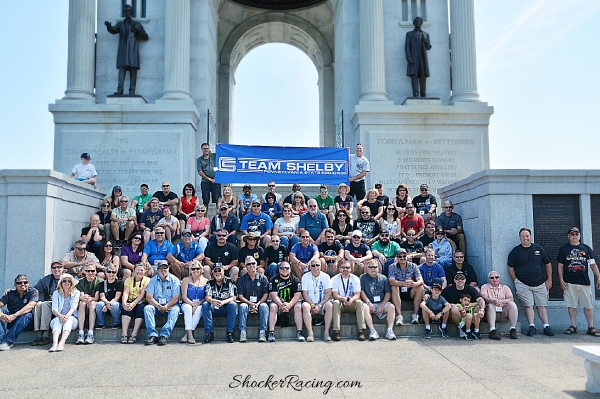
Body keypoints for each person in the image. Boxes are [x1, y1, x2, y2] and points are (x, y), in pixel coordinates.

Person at [507, 227, 554, 337]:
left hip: (540, 283)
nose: (525, 238)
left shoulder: (539, 249)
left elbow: (548, 263)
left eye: (527, 236)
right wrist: (516, 281)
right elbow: (510, 267)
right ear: (520, 238)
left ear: (531, 236)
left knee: (542, 305)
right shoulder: (515, 251)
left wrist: (549, 279)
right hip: (523, 284)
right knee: (529, 305)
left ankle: (546, 326)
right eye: (523, 236)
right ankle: (531, 326)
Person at [557, 227, 600, 337]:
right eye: (572, 234)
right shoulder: (563, 249)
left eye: (576, 234)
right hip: (569, 282)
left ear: (579, 236)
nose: (575, 236)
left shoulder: (586, 249)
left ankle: (591, 327)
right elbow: (560, 265)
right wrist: (561, 279)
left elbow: (593, 264)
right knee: (571, 305)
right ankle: (573, 326)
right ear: (569, 236)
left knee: (588, 305)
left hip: (584, 282)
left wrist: (598, 277)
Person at [104, 4, 148, 95]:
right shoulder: (120, 24)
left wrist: (139, 30)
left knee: (133, 70)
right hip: (123, 50)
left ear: (132, 12)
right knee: (122, 69)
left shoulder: (136, 24)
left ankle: (132, 91)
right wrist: (109, 27)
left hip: (132, 51)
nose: (127, 13)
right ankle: (120, 90)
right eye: (125, 11)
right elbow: (114, 30)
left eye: (129, 11)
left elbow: (145, 37)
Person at [143, 262, 181, 346]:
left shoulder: (175, 280)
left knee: (176, 310)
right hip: (156, 305)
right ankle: (152, 335)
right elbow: (149, 297)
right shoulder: (152, 280)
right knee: (147, 308)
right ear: (157, 269)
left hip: (171, 305)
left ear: (168, 268)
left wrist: (166, 307)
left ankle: (164, 335)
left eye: (165, 267)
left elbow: (175, 298)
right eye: (161, 268)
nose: (163, 269)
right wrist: (158, 306)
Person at [441, 271, 485, 340]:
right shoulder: (448, 290)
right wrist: (457, 306)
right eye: (457, 278)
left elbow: (480, 300)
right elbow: (442, 302)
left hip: (469, 312)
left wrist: (481, 310)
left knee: (478, 307)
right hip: (455, 315)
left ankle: (473, 329)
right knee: (454, 308)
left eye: (462, 278)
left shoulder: (470, 289)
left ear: (465, 280)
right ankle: (463, 328)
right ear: (454, 280)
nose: (460, 280)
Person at [201, 263, 238, 344]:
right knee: (205, 305)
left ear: (223, 271)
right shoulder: (209, 283)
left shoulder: (230, 282)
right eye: (215, 271)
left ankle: (230, 333)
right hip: (214, 307)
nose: (217, 272)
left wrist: (223, 302)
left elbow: (234, 297)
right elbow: (207, 297)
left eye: (219, 270)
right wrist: (213, 301)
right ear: (212, 273)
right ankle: (209, 333)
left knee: (233, 305)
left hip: (226, 307)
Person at [360, 259, 396, 340]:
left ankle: (389, 330)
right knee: (364, 307)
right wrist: (368, 303)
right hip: (369, 303)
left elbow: (388, 293)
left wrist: (383, 305)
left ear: (378, 268)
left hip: (381, 302)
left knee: (391, 307)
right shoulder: (362, 277)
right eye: (371, 267)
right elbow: (361, 292)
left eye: (375, 267)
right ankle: (372, 331)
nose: (373, 269)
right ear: (367, 268)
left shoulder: (383, 278)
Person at [268, 261, 304, 342]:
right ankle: (271, 333)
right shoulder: (273, 280)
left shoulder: (295, 280)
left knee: (298, 306)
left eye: (287, 268)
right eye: (282, 268)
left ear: (290, 269)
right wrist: (281, 305)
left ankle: (299, 332)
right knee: (273, 307)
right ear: (279, 269)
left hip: (291, 304)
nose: (284, 269)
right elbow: (273, 295)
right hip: (279, 304)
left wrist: (289, 305)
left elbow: (297, 295)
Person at [0, 274, 38, 350]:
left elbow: (30, 306)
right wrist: (1, 315)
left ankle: (8, 341)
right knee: (2, 312)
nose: (22, 284)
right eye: (19, 283)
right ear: (15, 285)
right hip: (11, 320)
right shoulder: (9, 293)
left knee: (28, 315)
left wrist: (15, 315)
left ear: (28, 283)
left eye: (25, 282)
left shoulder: (33, 292)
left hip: (26, 323)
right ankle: (1, 340)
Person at [31, 260, 64, 346]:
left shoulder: (67, 278)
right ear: (51, 269)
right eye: (54, 268)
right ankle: (39, 335)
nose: (56, 269)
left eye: (59, 267)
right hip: (50, 302)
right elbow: (34, 290)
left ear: (63, 268)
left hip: (62, 304)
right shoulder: (46, 279)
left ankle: (45, 335)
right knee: (37, 304)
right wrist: (14, 290)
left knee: (45, 305)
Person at [331, 260, 366, 341]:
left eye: (347, 267)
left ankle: (361, 330)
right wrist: (344, 299)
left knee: (359, 302)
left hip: (351, 303)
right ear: (339, 269)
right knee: (335, 302)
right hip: (340, 302)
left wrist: (351, 300)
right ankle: (336, 331)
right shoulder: (334, 279)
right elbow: (335, 295)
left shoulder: (355, 279)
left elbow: (357, 294)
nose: (345, 269)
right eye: (343, 267)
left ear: (351, 269)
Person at [237, 256, 270, 342]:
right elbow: (240, 296)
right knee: (243, 306)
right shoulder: (241, 280)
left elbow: (266, 295)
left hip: (259, 303)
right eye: (248, 264)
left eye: (253, 263)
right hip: (248, 304)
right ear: (245, 266)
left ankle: (263, 332)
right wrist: (250, 304)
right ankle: (243, 332)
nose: (251, 265)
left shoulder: (263, 278)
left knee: (264, 306)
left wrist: (257, 304)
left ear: (256, 265)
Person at [388, 249, 424, 326]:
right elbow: (391, 281)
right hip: (398, 292)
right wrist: (403, 283)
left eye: (404, 256)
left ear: (407, 257)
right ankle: (399, 316)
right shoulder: (392, 267)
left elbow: (421, 280)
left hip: (410, 291)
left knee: (420, 287)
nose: (402, 258)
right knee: (394, 286)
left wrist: (415, 283)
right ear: (397, 258)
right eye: (400, 256)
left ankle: (415, 315)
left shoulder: (413, 266)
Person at [480, 271, 519, 340]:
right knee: (491, 305)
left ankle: (513, 330)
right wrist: (492, 300)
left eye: (496, 277)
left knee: (512, 304)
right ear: (489, 279)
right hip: (489, 313)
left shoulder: (505, 288)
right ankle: (492, 331)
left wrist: (501, 301)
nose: (495, 279)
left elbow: (511, 298)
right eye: (492, 278)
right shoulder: (485, 287)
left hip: (503, 312)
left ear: (500, 278)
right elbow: (484, 298)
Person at [301, 260, 333, 342]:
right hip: (310, 303)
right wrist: (312, 305)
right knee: (305, 306)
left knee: (329, 305)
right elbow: (305, 294)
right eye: (313, 265)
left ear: (321, 266)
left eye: (317, 265)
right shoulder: (305, 276)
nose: (315, 267)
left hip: (322, 303)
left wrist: (319, 305)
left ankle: (326, 333)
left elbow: (328, 294)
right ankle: (310, 333)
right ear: (310, 267)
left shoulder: (326, 276)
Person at [48, 274, 80, 352]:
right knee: (57, 321)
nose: (67, 282)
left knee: (68, 320)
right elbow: (54, 309)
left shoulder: (76, 292)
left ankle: (61, 343)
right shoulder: (56, 293)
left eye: (69, 281)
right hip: (58, 318)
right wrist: (60, 316)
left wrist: (66, 316)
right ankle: (54, 344)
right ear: (61, 283)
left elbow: (74, 307)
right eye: (64, 281)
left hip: (72, 319)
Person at [180, 260, 208, 344]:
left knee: (199, 309)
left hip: (200, 303)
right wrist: (192, 304)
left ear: (201, 269)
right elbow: (184, 296)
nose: (195, 270)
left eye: (197, 268)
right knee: (188, 308)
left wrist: (199, 303)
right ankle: (190, 335)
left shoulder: (206, 281)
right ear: (190, 270)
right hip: (187, 303)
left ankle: (187, 334)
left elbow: (206, 297)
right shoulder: (186, 280)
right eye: (193, 269)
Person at [120, 263, 150, 344]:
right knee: (126, 309)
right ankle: (124, 334)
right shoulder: (128, 280)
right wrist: (124, 303)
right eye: (137, 270)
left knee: (141, 309)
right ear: (134, 271)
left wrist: (134, 303)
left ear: (145, 271)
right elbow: (125, 292)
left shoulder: (147, 280)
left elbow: (142, 294)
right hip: (130, 300)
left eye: (142, 270)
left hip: (141, 301)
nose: (139, 272)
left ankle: (134, 334)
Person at [75, 265, 103, 344]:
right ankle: (81, 333)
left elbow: (96, 297)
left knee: (92, 304)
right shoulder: (80, 282)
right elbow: (81, 296)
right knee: (82, 303)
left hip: (93, 303)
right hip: (84, 303)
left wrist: (90, 299)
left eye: (92, 271)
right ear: (85, 272)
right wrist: (85, 298)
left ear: (96, 271)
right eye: (88, 271)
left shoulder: (99, 281)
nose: (90, 273)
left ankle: (90, 333)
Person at [405, 16, 431, 98]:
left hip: (422, 58)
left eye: (419, 21)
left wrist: (425, 41)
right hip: (414, 57)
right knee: (414, 74)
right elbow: (406, 46)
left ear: (421, 23)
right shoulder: (409, 34)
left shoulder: (426, 34)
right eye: (416, 21)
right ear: (414, 23)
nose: (418, 22)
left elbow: (429, 47)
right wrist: (408, 57)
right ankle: (415, 93)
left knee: (423, 74)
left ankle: (423, 93)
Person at [95, 264, 123, 329]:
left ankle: (117, 323)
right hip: (105, 303)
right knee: (99, 304)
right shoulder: (102, 283)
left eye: (113, 272)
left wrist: (108, 304)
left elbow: (117, 298)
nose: (111, 274)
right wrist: (107, 304)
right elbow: (102, 297)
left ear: (116, 273)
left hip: (116, 304)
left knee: (114, 304)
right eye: (109, 272)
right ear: (106, 273)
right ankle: (101, 323)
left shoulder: (119, 283)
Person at [197, 143, 221, 209]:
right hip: (205, 181)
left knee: (217, 199)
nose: (206, 150)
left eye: (207, 148)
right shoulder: (199, 159)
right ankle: (204, 217)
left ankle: (218, 217)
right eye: (204, 148)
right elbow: (200, 172)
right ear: (202, 149)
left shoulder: (214, 156)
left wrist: (219, 146)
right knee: (205, 200)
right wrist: (209, 179)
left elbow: (222, 154)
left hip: (216, 180)